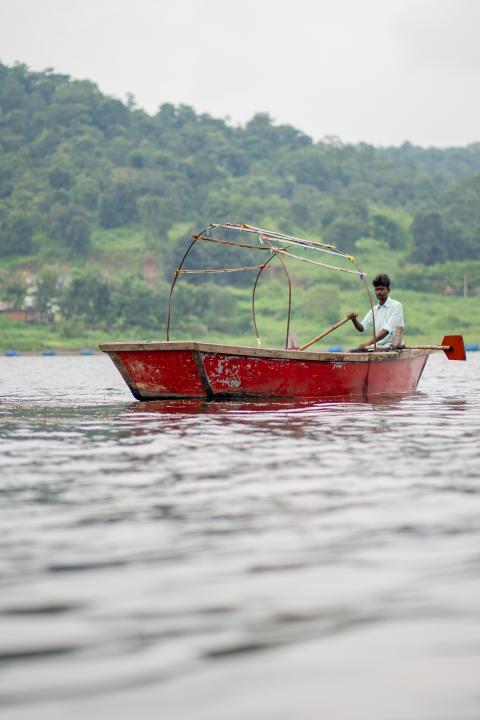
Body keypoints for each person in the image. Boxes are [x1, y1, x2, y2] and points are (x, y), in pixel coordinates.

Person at [348, 274, 404, 350]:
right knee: (352, 352)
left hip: (392, 347)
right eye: (377, 289)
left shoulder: (397, 306)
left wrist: (367, 344)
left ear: (388, 290)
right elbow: (362, 328)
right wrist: (354, 319)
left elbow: (386, 330)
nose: (379, 292)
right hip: (377, 347)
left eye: (382, 289)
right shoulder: (374, 310)